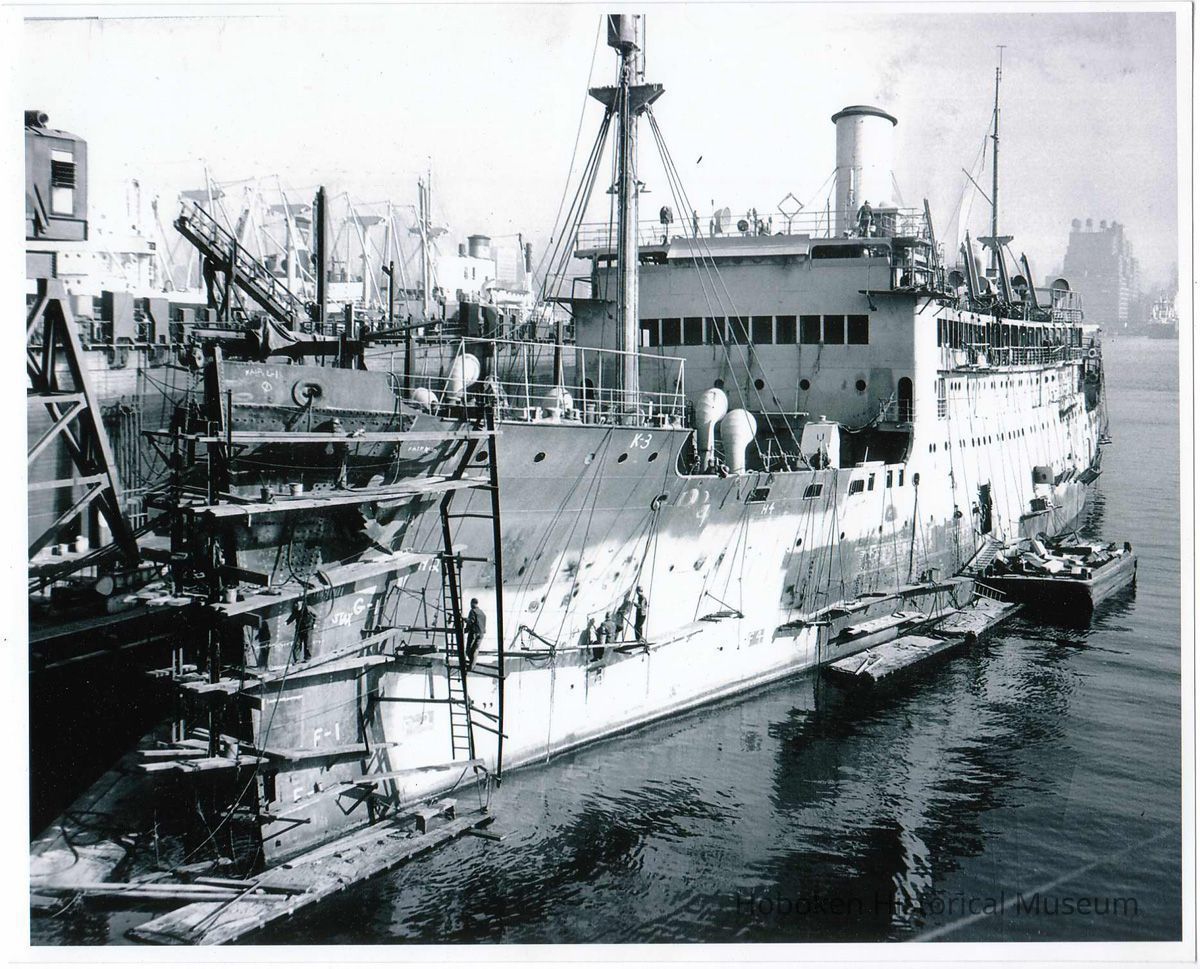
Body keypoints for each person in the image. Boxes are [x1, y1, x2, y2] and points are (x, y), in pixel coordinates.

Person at [464, 598, 486, 668]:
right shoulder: (482, 613)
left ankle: (471, 664)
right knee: (475, 650)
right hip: (481, 634)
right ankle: (472, 665)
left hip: (474, 633)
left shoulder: (472, 611)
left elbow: (471, 621)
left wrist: (465, 620)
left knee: (468, 650)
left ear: (472, 603)